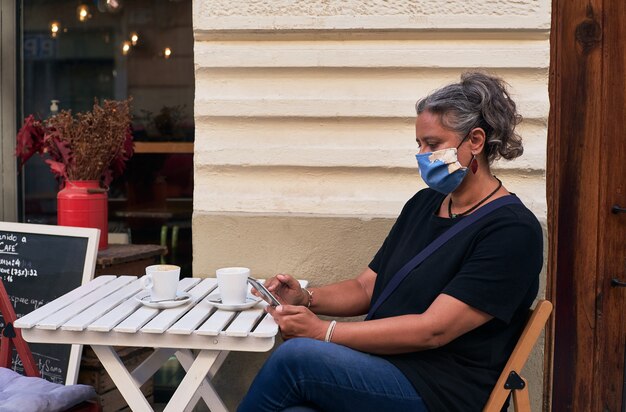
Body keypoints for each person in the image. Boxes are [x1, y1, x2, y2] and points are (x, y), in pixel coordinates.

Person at [237, 72, 543, 412]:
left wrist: (322, 332)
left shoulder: (512, 231)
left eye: (433, 144)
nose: (422, 156)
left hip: (442, 391)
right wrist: (307, 298)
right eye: (419, 145)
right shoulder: (424, 205)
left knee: (295, 358)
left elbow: (434, 331)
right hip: (385, 369)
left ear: (475, 140)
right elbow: (367, 288)